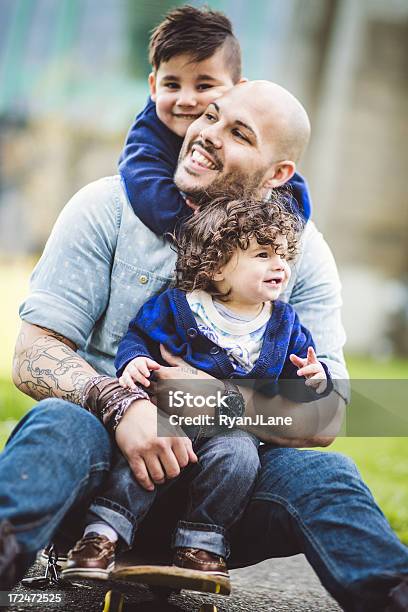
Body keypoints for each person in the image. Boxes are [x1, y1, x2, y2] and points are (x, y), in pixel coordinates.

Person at [2, 79, 408, 611]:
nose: (207, 134)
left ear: (278, 175)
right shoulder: (106, 207)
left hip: (223, 500)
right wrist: (121, 403)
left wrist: (215, 399)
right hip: (101, 481)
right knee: (60, 421)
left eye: (238, 132)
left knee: (327, 475)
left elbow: (329, 417)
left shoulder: (301, 257)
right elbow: (32, 354)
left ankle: (391, 593)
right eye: (211, 115)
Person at [62, 196, 332, 583]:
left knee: (240, 457)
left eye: (284, 256)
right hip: (174, 415)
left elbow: (297, 380)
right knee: (149, 452)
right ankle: (103, 534)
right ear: (218, 266)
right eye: (263, 254)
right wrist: (134, 360)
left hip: (231, 429)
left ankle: (200, 545)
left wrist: (314, 375)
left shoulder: (285, 324)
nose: (280, 266)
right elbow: (140, 334)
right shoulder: (182, 306)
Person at [118, 5, 312, 236]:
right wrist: (195, 230)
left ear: (239, 88)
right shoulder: (150, 130)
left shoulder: (261, 151)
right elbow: (144, 183)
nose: (186, 100)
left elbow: (291, 189)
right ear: (153, 87)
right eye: (171, 85)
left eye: (204, 86)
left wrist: (279, 234)